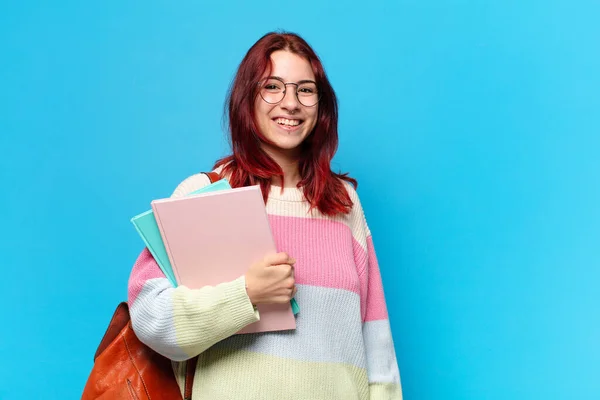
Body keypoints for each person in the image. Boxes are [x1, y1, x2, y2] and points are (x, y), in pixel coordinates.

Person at [128, 31, 403, 400]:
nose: (290, 103)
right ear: (247, 98)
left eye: (305, 90)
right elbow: (150, 317)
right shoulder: (203, 195)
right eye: (272, 87)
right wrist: (246, 295)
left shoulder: (344, 203)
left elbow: (376, 340)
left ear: (321, 105)